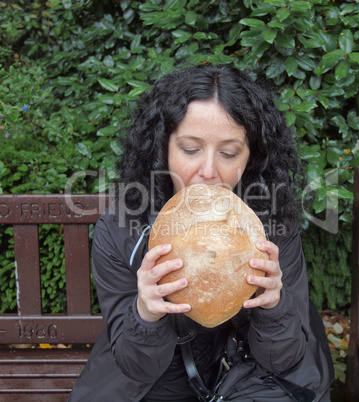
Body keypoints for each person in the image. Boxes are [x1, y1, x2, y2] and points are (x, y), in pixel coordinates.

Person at [68, 63, 334, 401]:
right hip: (157, 385)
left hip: (251, 378)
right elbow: (136, 367)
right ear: (163, 147)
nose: (208, 171)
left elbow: (282, 358)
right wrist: (146, 313)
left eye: (228, 152)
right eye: (191, 149)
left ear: (251, 155)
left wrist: (274, 307)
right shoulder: (121, 228)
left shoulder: (270, 225)